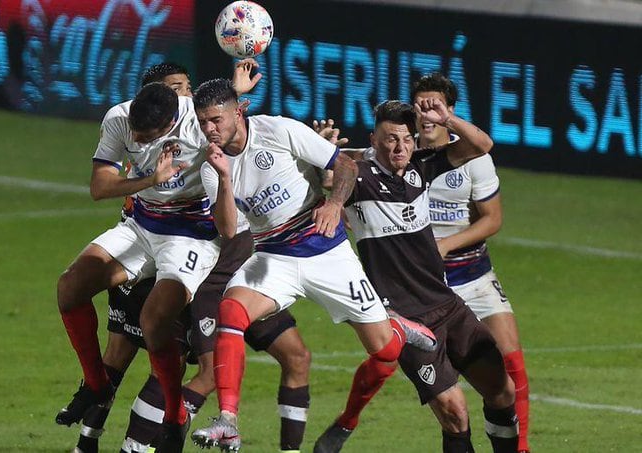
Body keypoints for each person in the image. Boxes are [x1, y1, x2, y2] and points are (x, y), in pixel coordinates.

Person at [68, 62, 312, 453]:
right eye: (176, 89)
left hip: (235, 256)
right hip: (184, 258)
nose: (184, 95)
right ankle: (120, 432)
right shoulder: (125, 125)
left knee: (293, 355)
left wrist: (236, 90)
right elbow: (101, 187)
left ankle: (149, 431)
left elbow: (230, 122)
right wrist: (151, 180)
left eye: (186, 88)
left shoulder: (206, 128)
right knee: (174, 355)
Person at [188, 78, 436, 452]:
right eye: (203, 121)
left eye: (216, 120)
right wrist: (223, 176)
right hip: (273, 255)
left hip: (326, 251)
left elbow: (347, 167)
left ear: (238, 112)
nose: (210, 129)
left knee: (384, 351)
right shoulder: (212, 165)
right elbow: (226, 229)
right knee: (231, 311)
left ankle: (396, 327)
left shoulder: (280, 130)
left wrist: (335, 203)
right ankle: (228, 421)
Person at [313, 99, 518, 453]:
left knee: (502, 390)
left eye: (407, 139)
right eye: (391, 138)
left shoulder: (422, 167)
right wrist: (321, 159)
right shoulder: (359, 177)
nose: (400, 147)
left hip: (446, 303)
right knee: (455, 412)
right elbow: (334, 178)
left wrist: (448, 119)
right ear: (373, 139)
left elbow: (482, 146)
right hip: (407, 321)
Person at [418, 73, 531, 453]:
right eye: (421, 106)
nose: (427, 114)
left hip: (474, 275)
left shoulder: (470, 159)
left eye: (435, 106)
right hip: (427, 285)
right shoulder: (404, 156)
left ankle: (521, 446)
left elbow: (492, 220)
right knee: (399, 369)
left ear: (450, 110)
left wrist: (448, 243)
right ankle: (345, 424)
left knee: (511, 362)